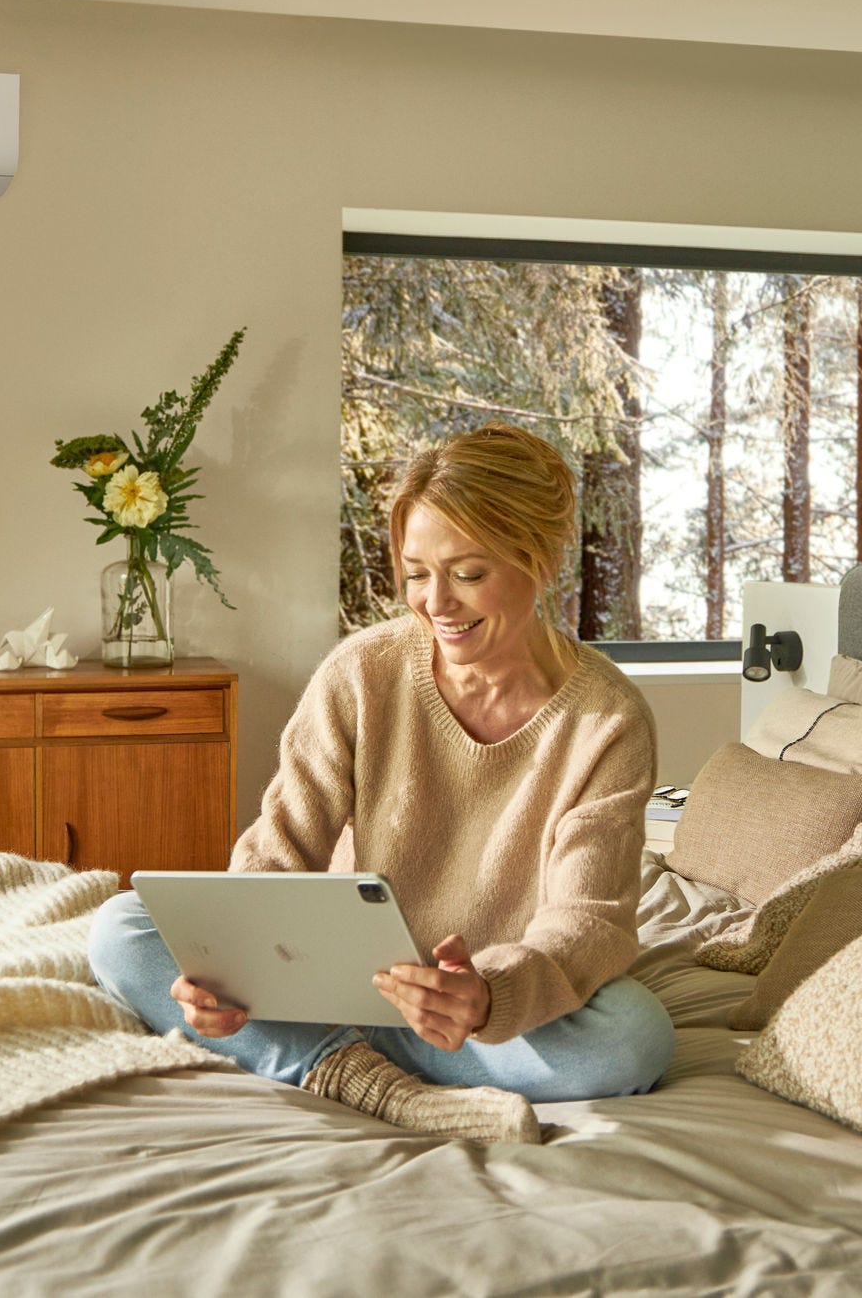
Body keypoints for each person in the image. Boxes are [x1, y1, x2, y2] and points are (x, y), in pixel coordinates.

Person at [88, 423, 672, 1143]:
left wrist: (486, 994)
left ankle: (309, 1057)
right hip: (337, 984)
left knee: (633, 1037)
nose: (437, 603)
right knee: (120, 929)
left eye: (468, 573)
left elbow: (587, 923)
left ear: (541, 560)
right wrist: (226, 967)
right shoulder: (363, 671)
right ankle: (368, 1083)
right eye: (417, 572)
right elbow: (280, 847)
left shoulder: (606, 719)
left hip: (475, 1014)